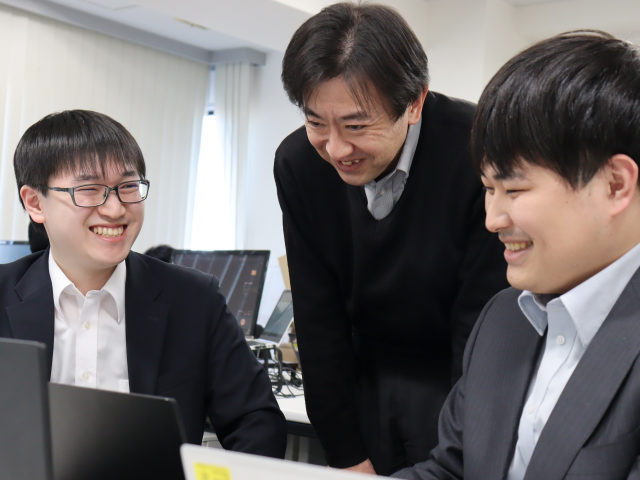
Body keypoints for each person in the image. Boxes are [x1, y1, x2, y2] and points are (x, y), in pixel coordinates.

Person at [393, 30, 640, 480]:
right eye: (488, 189)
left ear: (615, 184)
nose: (493, 219)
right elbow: (451, 470)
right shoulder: (504, 318)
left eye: (514, 189)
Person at [274, 3, 508, 475]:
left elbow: (480, 326)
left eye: (356, 126)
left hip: (454, 375)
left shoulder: (477, 149)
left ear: (414, 103)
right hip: (361, 377)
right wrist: (347, 454)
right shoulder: (299, 164)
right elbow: (318, 317)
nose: (336, 148)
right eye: (316, 122)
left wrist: (465, 449)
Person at [0, 110, 287, 457]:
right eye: (89, 190)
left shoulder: (194, 300)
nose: (115, 209)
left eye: (128, 187)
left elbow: (256, 422)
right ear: (35, 203)